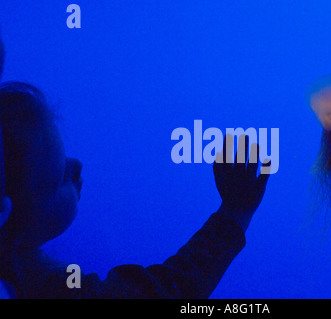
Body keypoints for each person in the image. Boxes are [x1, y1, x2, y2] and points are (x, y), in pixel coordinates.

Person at [0, 81, 270, 298]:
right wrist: (235, 212)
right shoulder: (41, 287)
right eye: (60, 176)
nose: (77, 165)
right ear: (7, 214)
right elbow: (163, 292)